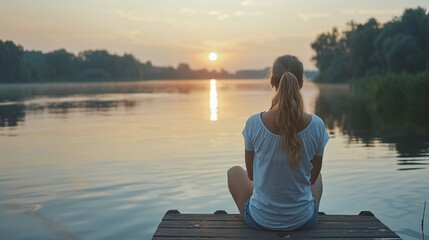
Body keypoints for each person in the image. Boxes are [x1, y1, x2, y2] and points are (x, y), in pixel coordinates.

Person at [227, 55, 329, 231]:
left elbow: (251, 175)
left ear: (272, 81)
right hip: (304, 221)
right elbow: (311, 178)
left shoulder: (253, 123)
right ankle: (303, 210)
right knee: (317, 177)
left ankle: (266, 204)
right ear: (301, 83)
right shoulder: (317, 126)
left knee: (234, 172)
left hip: (259, 220)